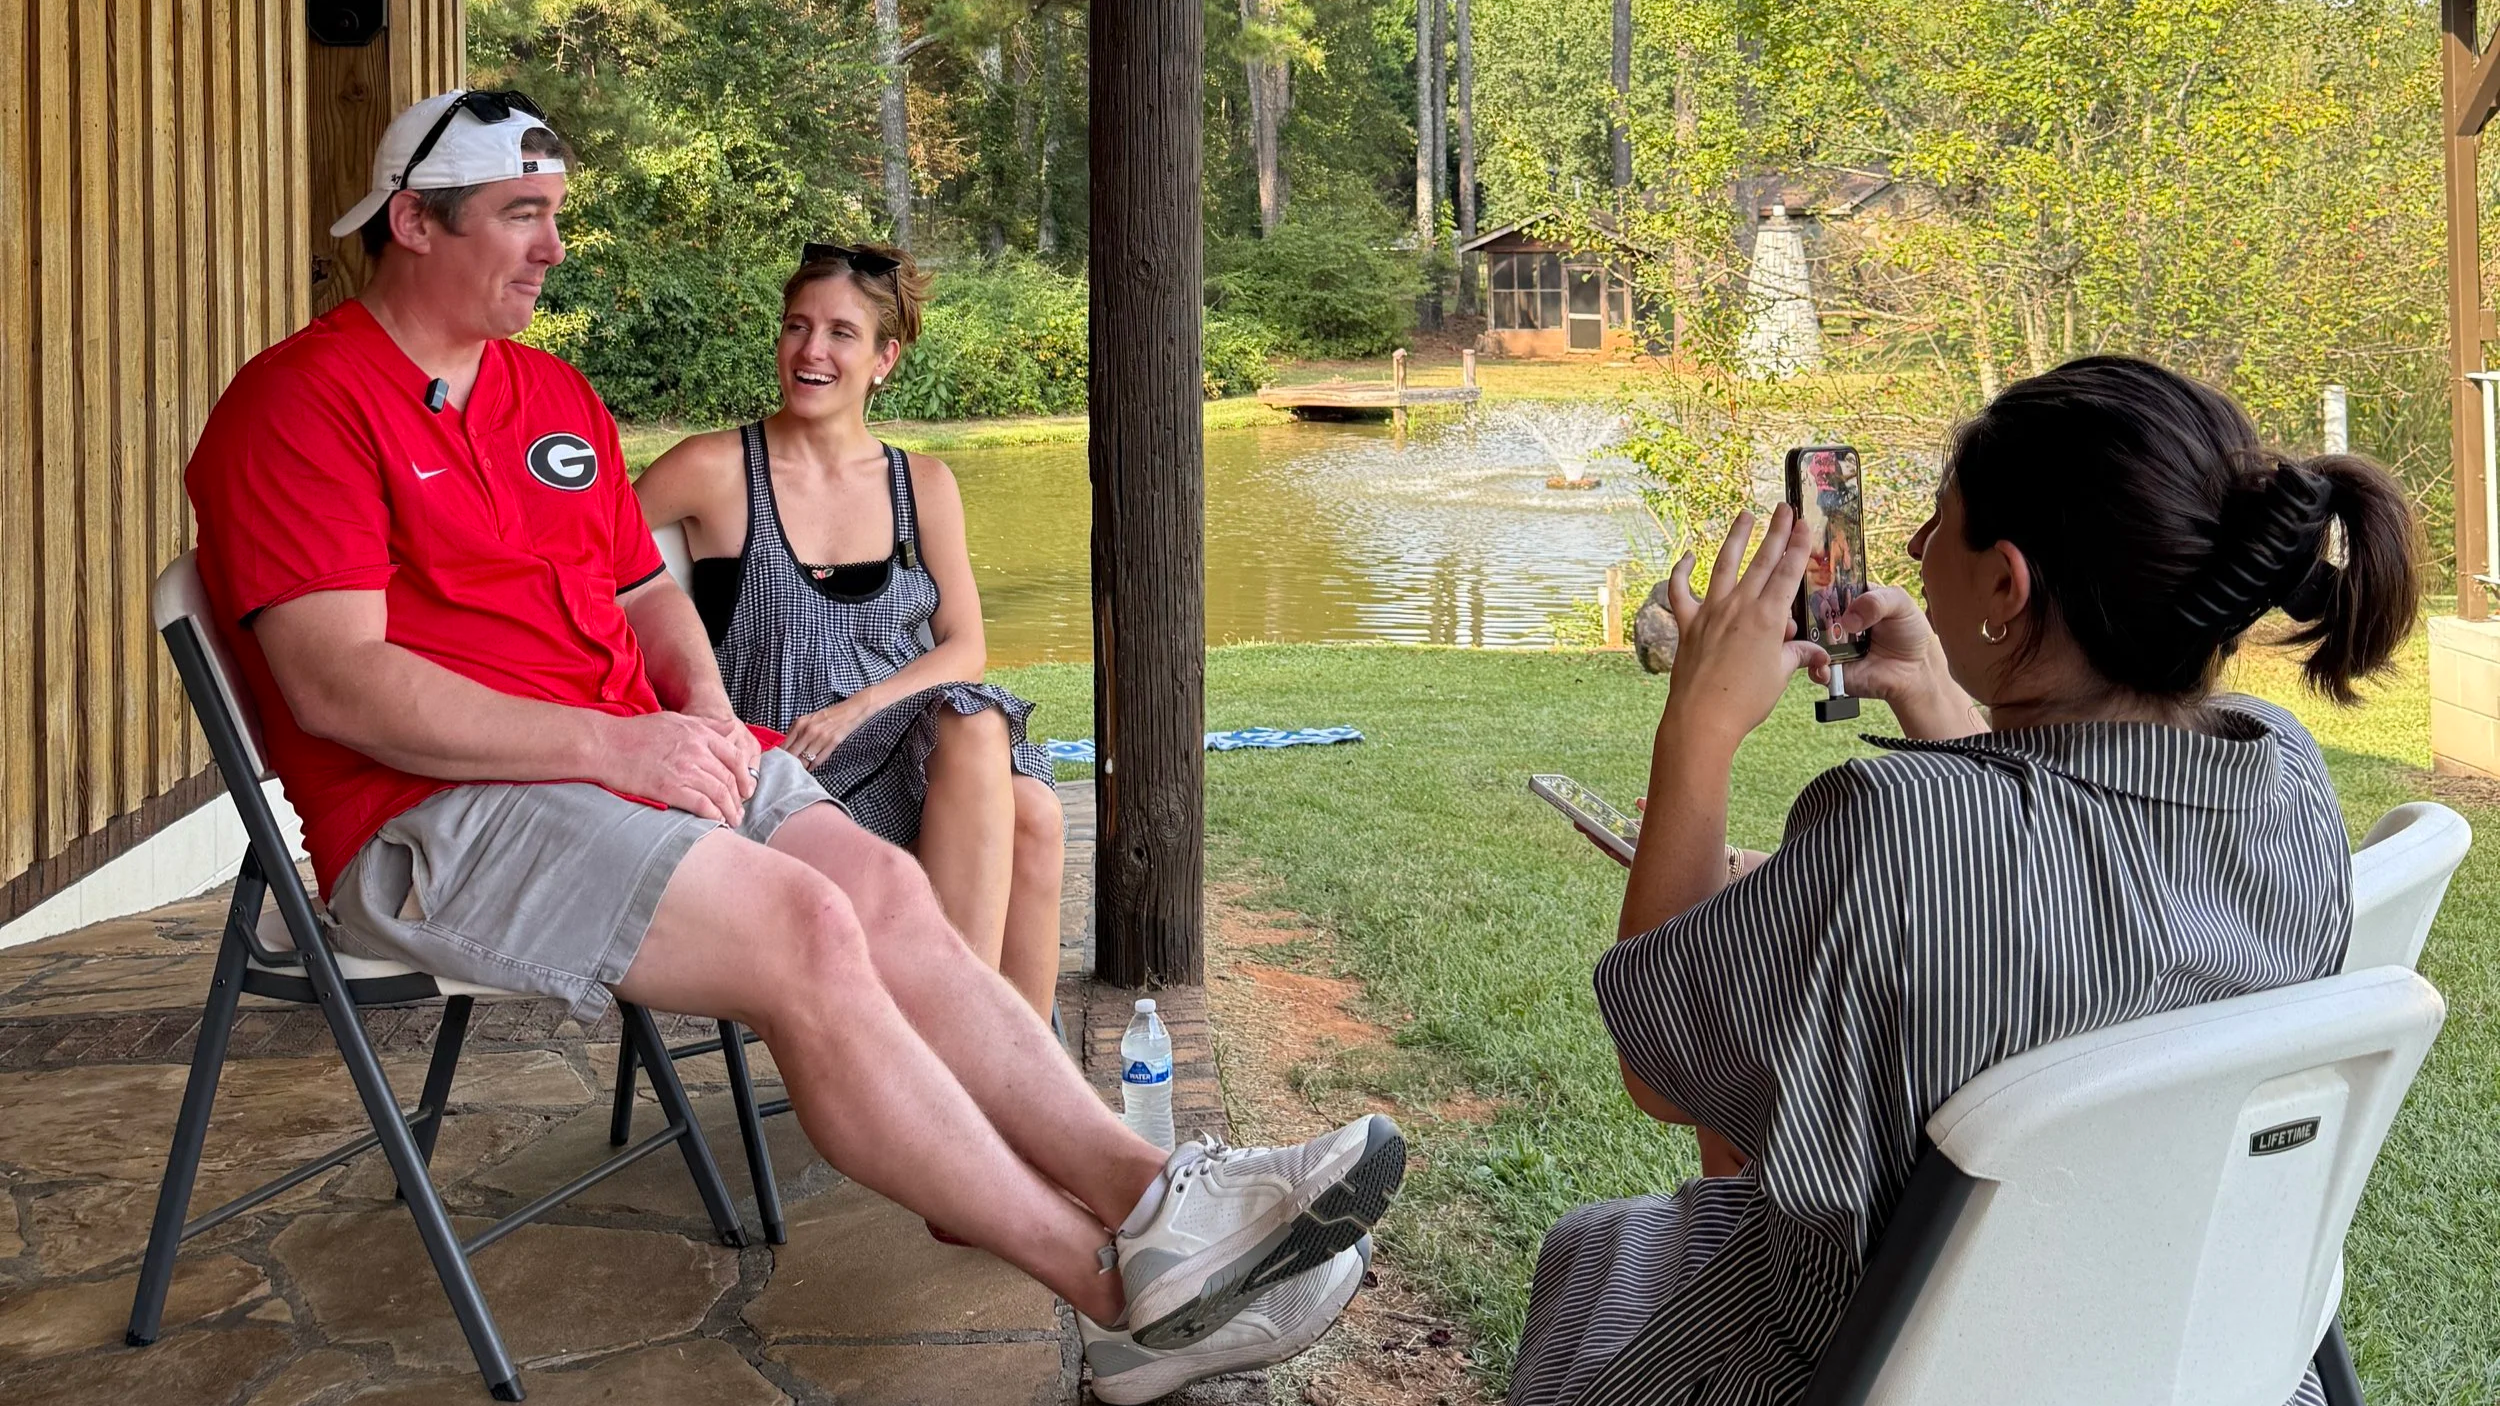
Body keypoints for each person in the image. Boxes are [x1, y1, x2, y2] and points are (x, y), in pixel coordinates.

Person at [180, 90, 1402, 1404]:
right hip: (443, 811)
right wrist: (622, 746)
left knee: (884, 891)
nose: (554, 247)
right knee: (811, 928)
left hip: (639, 755)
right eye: (522, 216)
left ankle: (1164, 1196)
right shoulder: (299, 404)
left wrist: (695, 708)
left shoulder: (550, 392)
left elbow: (641, 593)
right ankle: (1118, 1295)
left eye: (558, 217)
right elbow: (339, 685)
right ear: (414, 222)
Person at [1511, 356, 2417, 1406]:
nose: (1909, 549)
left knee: (1596, 1249)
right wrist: (1946, 703)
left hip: (1881, 1365)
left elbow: (1658, 1072)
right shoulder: (2282, 771)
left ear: (2006, 583)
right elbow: (2088, 884)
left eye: (1940, 522)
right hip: (2191, 1351)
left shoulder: (1894, 833)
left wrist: (1700, 728)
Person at [634, 244, 1063, 1018]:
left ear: (883, 359)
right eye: (797, 327)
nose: (811, 351)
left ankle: (985, 1081)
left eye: (840, 333)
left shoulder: (922, 485)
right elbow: (584, 573)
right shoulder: (713, 470)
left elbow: (965, 647)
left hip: (902, 736)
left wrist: (859, 706)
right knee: (1026, 804)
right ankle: (986, 1075)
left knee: (990, 744)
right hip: (785, 765)